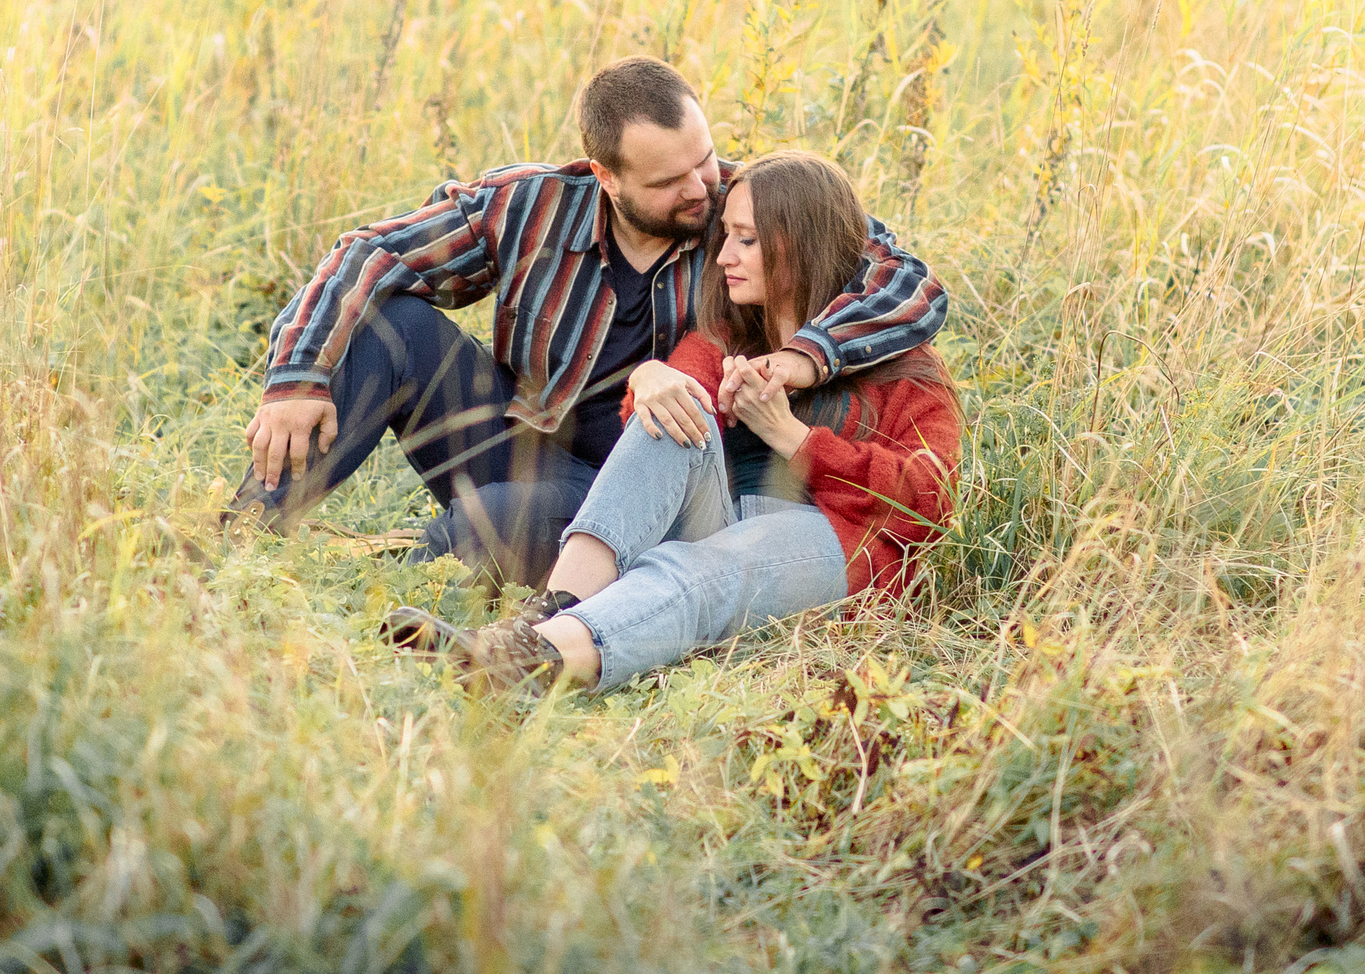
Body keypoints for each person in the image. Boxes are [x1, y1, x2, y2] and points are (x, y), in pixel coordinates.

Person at [229, 59, 946, 583]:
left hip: (643, 481)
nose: (701, 187)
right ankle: (243, 541)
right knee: (393, 323)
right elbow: (373, 250)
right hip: (515, 437)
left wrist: (804, 356)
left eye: (703, 159)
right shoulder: (529, 205)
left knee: (490, 526)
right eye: (668, 181)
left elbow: (905, 279)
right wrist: (296, 377)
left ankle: (410, 581)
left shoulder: (745, 210)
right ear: (606, 176)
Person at [384, 150, 961, 693]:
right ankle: (553, 607)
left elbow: (929, 502)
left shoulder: (905, 367)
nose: (726, 255)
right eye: (727, 235)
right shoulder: (731, 335)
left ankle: (531, 663)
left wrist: (793, 437)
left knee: (694, 569)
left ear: (800, 248)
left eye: (748, 240)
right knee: (674, 408)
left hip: (841, 548)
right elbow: (657, 424)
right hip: (727, 518)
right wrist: (651, 378)